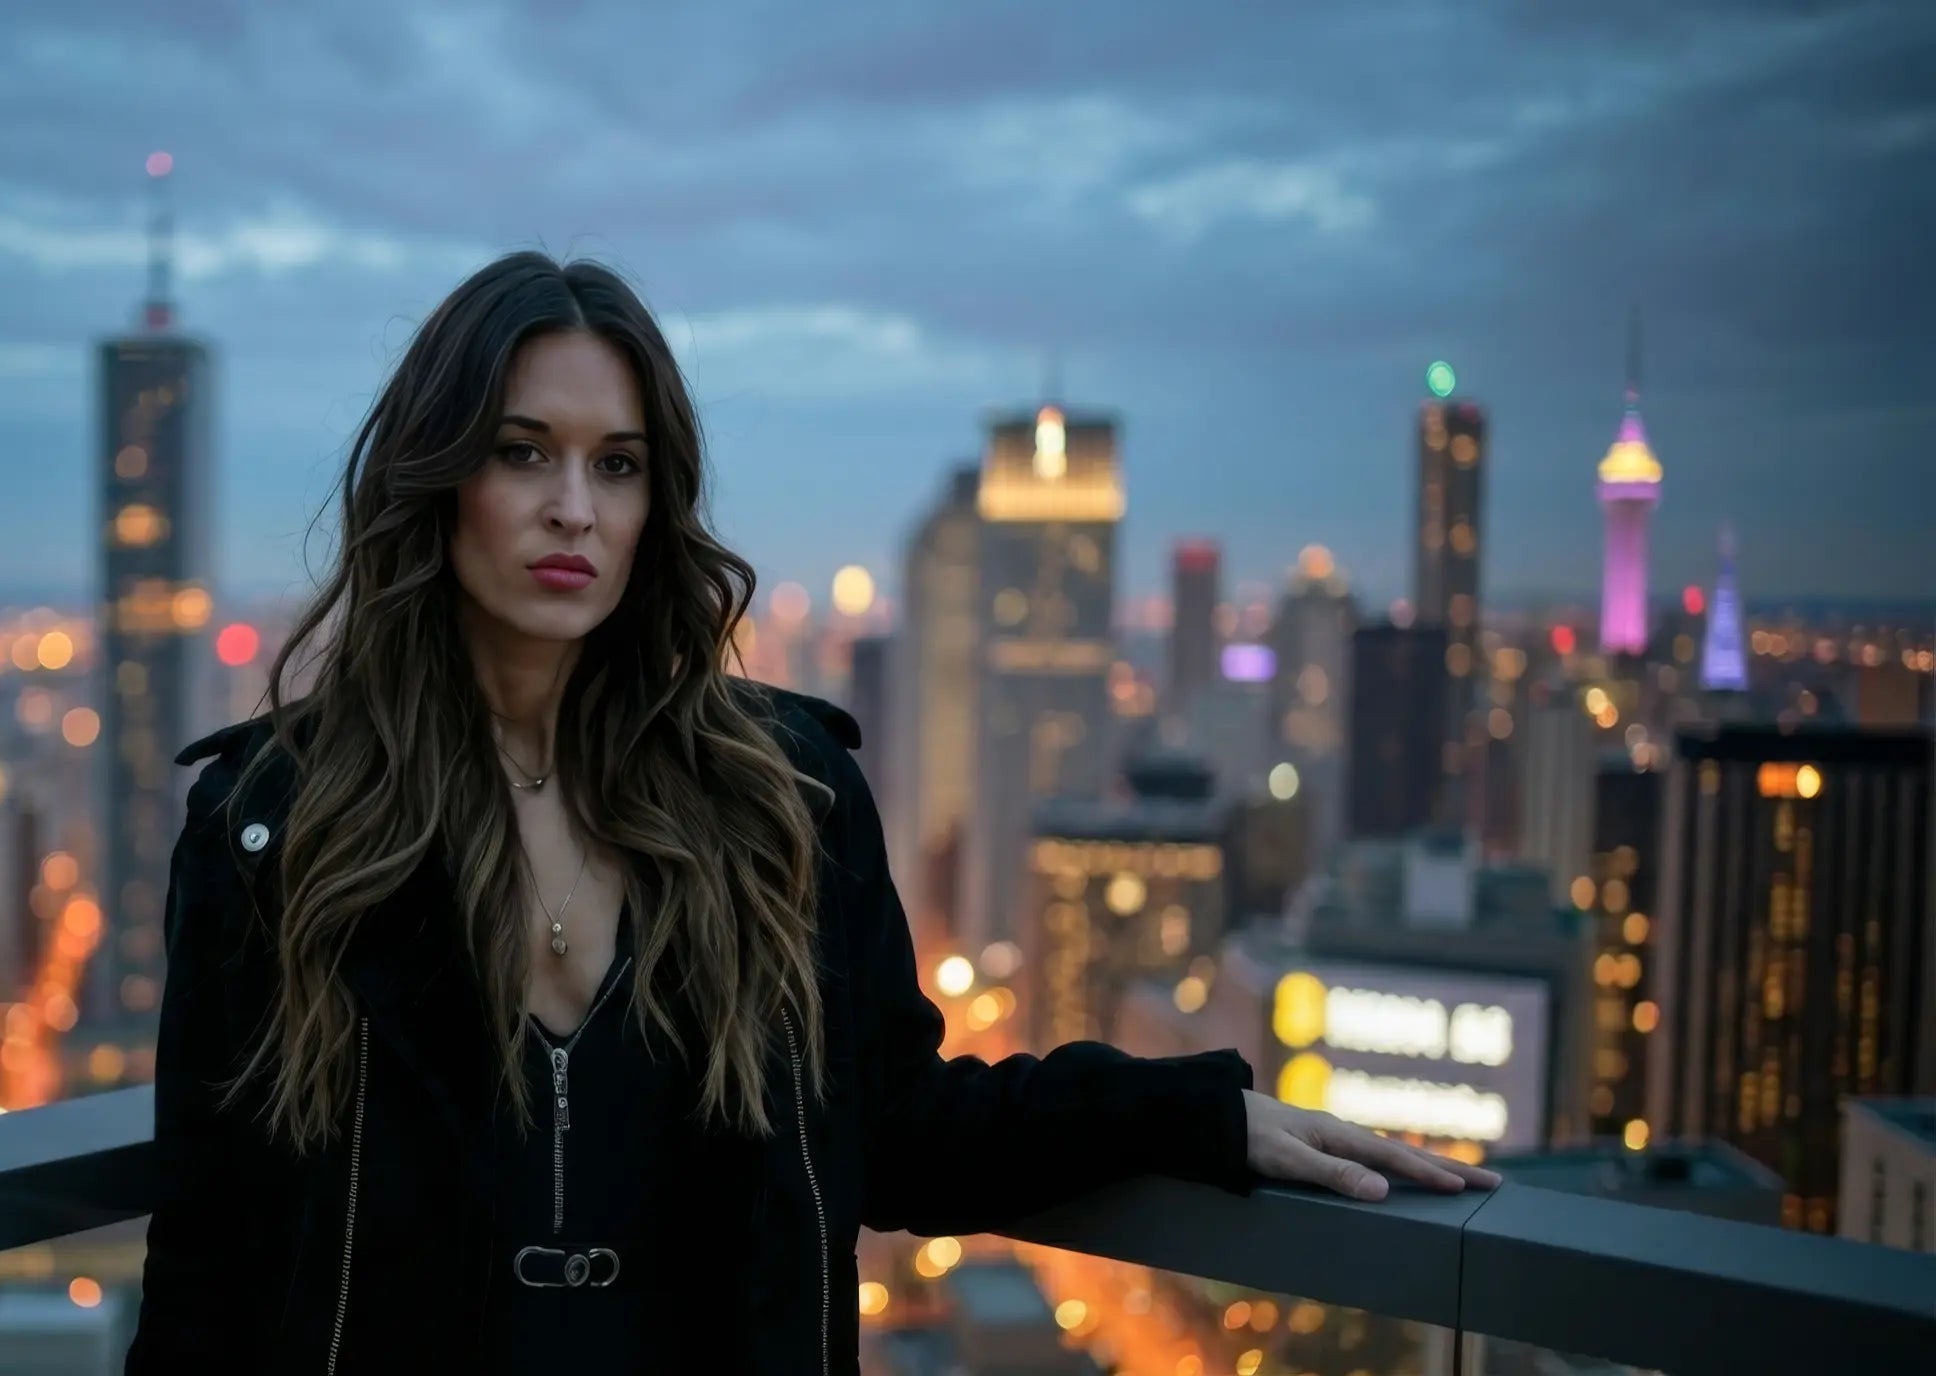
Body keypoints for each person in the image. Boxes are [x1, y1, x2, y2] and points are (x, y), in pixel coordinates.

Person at [127, 252, 1496, 1374]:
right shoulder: (279, 829)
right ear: (439, 483)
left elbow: (893, 1126)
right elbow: (207, 1260)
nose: (572, 510)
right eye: (521, 452)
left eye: (618, 465)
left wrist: (1190, 1117)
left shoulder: (779, 796)